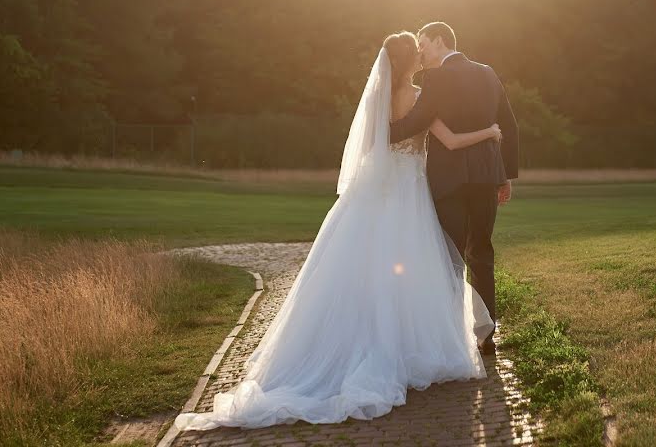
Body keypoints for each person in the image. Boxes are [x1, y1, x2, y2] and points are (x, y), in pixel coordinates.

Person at [173, 31, 500, 431]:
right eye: (415, 51)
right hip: (409, 191)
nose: (421, 52)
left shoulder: (381, 99)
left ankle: (345, 343)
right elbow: (448, 140)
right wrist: (490, 132)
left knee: (361, 264)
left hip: (379, 190)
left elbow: (376, 143)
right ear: (407, 62)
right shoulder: (420, 97)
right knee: (413, 265)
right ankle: (403, 347)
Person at [390, 21, 519, 355]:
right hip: (486, 177)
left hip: (448, 181)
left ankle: (451, 335)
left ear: (440, 40)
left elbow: (418, 121)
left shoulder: (435, 78)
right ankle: (486, 333)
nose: (420, 50)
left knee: (450, 255)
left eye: (423, 42)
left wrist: (381, 132)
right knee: (482, 250)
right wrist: (505, 176)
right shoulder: (488, 73)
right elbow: (508, 124)